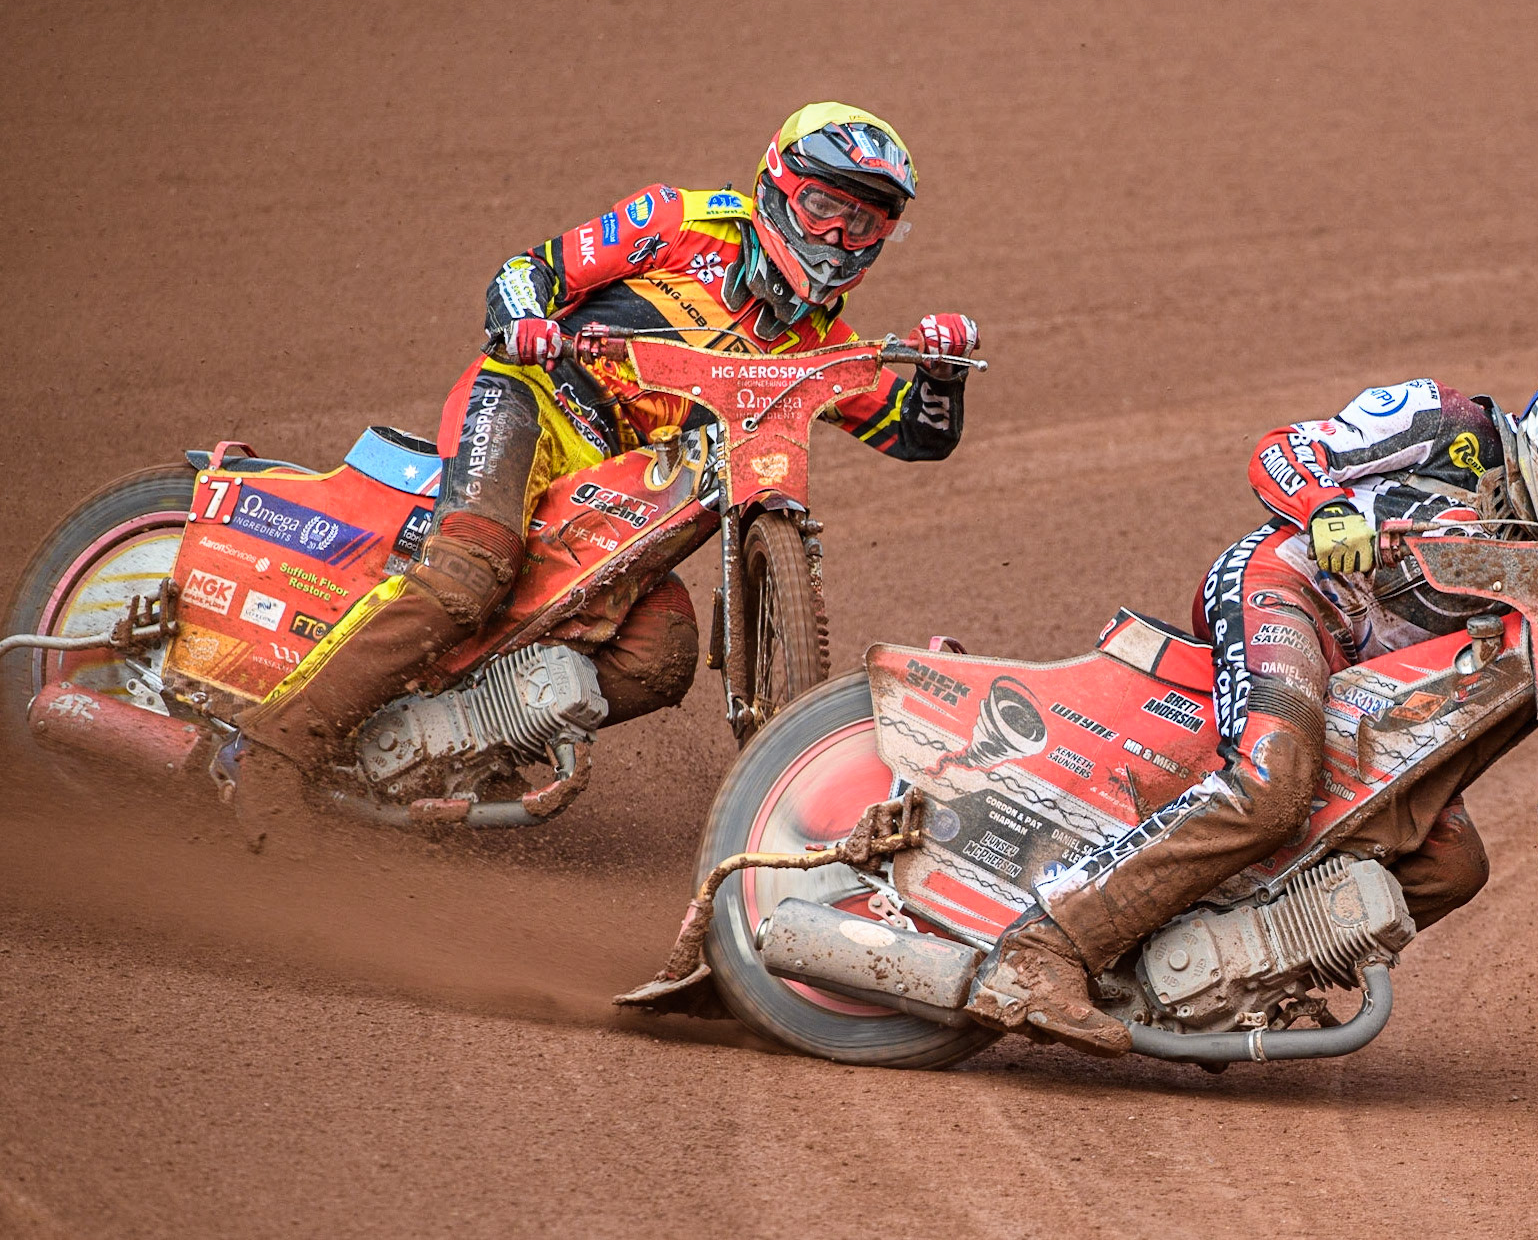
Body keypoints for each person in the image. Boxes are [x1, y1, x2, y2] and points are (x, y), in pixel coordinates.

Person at [965, 340, 1538, 1055]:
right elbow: (1283, 447)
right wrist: (1328, 510)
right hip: (1299, 593)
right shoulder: (1445, 422)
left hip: (1391, 696)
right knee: (1273, 783)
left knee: (1451, 866)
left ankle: (1226, 982)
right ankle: (1042, 947)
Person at [233, 103, 979, 808]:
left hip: (616, 484)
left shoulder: (820, 347)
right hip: (534, 399)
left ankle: (457, 746)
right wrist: (522, 320)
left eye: (865, 221)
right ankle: (272, 750)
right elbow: (529, 270)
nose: (839, 237)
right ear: (777, 188)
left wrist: (940, 369)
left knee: (662, 651)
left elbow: (915, 433)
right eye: (825, 207)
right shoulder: (678, 223)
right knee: (470, 573)